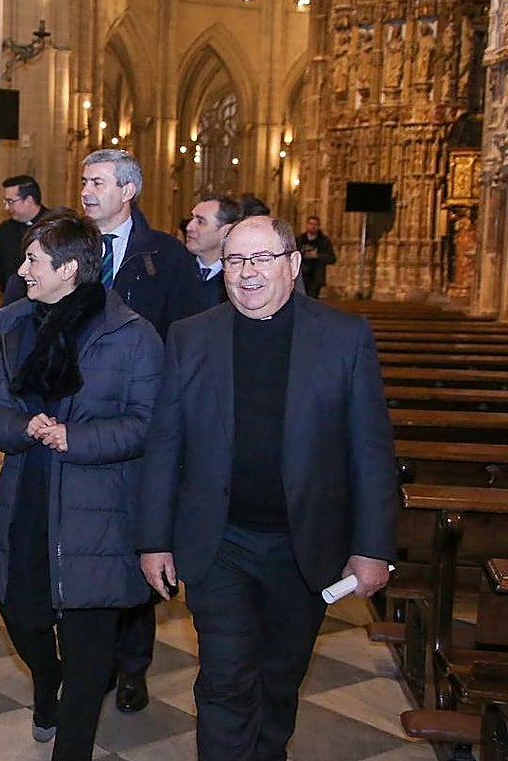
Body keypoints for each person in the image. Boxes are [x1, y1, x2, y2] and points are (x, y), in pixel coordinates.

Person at [137, 216, 397, 761]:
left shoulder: (344, 337)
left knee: (279, 679)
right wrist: (154, 539)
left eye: (261, 259)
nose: (247, 272)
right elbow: (165, 444)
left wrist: (373, 547)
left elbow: (371, 451)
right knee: (225, 678)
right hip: (220, 541)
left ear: (292, 264)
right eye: (235, 260)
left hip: (305, 545)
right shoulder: (191, 336)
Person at [0, 212, 163, 760]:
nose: (22, 271)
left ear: (67, 269)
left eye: (32, 260)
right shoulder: (15, 324)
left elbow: (148, 423)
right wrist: (23, 426)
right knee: (20, 616)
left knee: (89, 651)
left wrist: (74, 437)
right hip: (29, 499)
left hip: (98, 512)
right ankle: (46, 683)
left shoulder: (131, 334)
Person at [77, 147, 199, 712]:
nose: (86, 191)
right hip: (80, 418)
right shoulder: (70, 244)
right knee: (87, 545)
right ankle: (91, 661)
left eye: (98, 182)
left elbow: (187, 337)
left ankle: (132, 665)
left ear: (128, 191)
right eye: (84, 181)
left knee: (136, 542)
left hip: (142, 419)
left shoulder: (166, 256)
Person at [184, 194, 244, 311]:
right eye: (192, 219)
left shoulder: (240, 277)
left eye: (200, 221)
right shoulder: (174, 268)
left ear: (226, 231)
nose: (189, 227)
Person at [0, 175, 46, 298]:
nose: (7, 208)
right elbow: (1, 270)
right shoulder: (5, 230)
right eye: (5, 202)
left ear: (29, 200)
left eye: (10, 202)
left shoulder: (56, 225)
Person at [296, 215, 337, 298]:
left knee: (312, 299)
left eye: (316, 224)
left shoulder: (324, 241)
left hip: (315, 276)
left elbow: (332, 258)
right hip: (301, 274)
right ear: (307, 225)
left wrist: (317, 256)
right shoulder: (299, 239)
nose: (313, 227)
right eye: (311, 224)